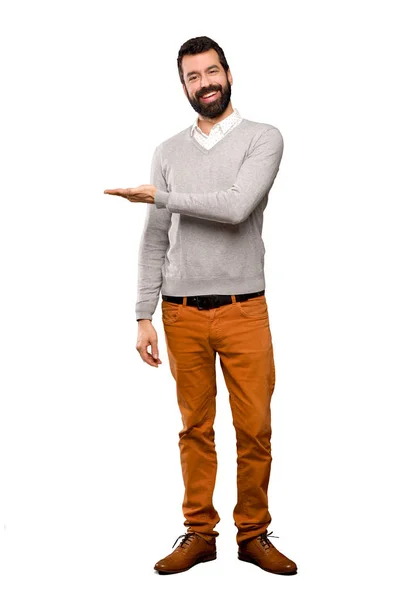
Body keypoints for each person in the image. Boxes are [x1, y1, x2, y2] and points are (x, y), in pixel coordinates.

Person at [104, 35, 297, 576]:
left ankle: (254, 533)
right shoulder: (167, 152)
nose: (205, 82)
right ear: (184, 86)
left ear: (229, 75)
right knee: (194, 426)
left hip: (243, 309)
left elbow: (236, 208)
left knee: (255, 425)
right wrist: (143, 313)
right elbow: (155, 237)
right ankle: (199, 533)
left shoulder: (264, 138)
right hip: (180, 310)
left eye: (212, 72)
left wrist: (157, 195)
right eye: (193, 76)